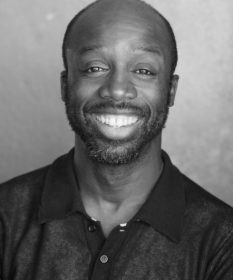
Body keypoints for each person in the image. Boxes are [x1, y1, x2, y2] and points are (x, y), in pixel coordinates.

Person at [0, 0, 233, 279]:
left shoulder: (222, 240)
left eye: (144, 71)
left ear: (170, 91)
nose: (118, 90)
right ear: (66, 86)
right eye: (95, 68)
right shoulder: (5, 216)